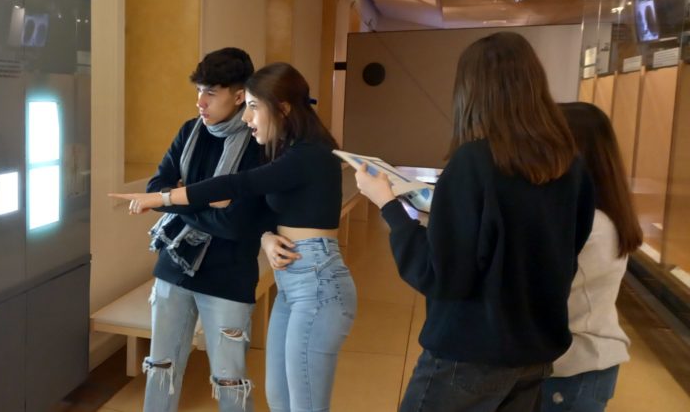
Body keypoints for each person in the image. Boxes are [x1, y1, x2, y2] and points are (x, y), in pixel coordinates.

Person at [354, 32, 596, 412]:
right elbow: (563, 248)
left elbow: (439, 275)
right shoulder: (571, 166)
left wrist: (387, 203)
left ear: (472, 92)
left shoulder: (474, 162)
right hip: (534, 353)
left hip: (468, 356)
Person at [112, 62, 355, 412]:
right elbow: (266, 209)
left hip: (310, 279)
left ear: (282, 108)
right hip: (292, 279)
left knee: (292, 401)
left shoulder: (305, 153)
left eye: (253, 106)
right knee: (280, 398)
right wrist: (266, 234)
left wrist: (166, 200)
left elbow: (237, 200)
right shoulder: (281, 147)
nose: (247, 118)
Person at [138, 47, 267, 412]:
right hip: (173, 268)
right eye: (198, 90)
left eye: (210, 92)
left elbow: (236, 223)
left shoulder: (258, 143)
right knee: (160, 369)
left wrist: (179, 198)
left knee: (230, 380)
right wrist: (202, 202)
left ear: (239, 96)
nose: (200, 102)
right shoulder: (189, 131)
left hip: (228, 276)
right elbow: (155, 189)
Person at [540, 102, 642, 412]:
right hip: (577, 365)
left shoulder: (591, 225)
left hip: (574, 369)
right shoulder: (598, 216)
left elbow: (540, 291)